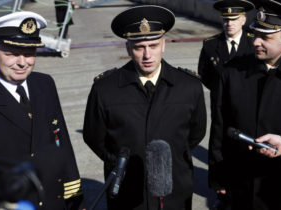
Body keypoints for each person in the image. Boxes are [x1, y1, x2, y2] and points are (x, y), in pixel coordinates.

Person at [83, 5, 207, 210]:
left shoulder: (189, 86)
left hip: (175, 191)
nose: (147, 55)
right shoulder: (105, 89)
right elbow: (94, 136)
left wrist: (171, 159)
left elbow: (195, 134)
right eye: (139, 47)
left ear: (164, 45)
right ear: (128, 48)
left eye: (154, 45)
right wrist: (120, 163)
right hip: (127, 191)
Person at [208, 0, 281, 209]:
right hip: (240, 185)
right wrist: (219, 176)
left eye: (265, 37)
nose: (255, 42)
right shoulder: (232, 72)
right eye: (254, 34)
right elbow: (219, 127)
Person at [0, 11, 83, 209]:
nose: (22, 62)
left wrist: (74, 194)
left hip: (52, 201)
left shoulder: (44, 84)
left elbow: (61, 140)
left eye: (29, 53)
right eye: (12, 53)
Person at [198, 0, 255, 91]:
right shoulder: (210, 44)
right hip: (220, 101)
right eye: (226, 19)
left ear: (243, 20)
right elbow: (204, 74)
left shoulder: (254, 43)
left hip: (248, 99)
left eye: (234, 19)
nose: (229, 24)